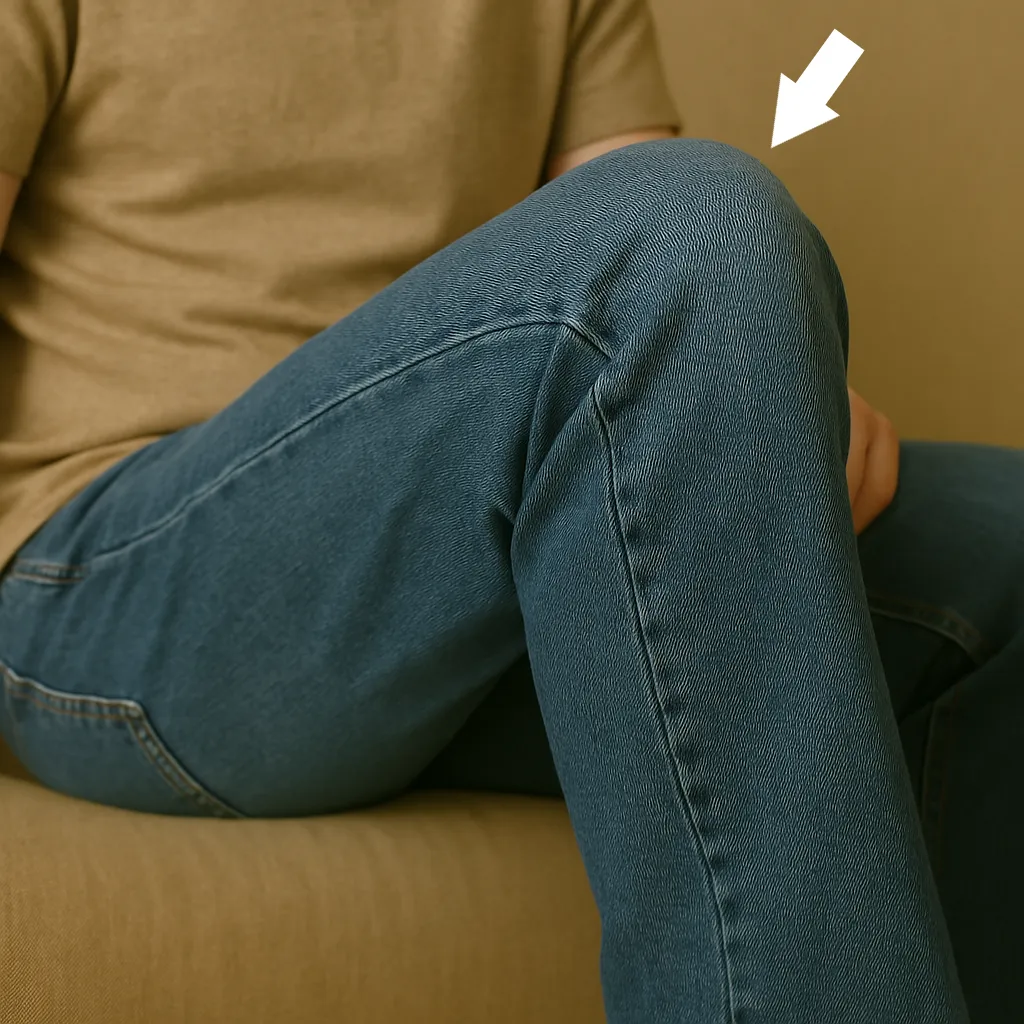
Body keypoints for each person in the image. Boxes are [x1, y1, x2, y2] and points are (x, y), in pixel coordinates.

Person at [0, 1, 1020, 1021]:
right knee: (695, 225)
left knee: (999, 540)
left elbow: (641, 238)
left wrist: (751, 367)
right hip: (112, 586)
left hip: (443, 586)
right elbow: (666, 241)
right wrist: (704, 275)